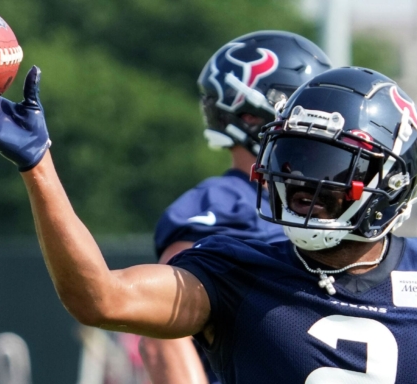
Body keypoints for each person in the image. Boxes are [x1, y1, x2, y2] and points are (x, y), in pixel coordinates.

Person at [0, 64, 417, 384]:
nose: (302, 182)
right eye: (293, 157)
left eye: (329, 166)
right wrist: (39, 167)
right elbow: (101, 298)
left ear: (393, 182)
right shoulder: (235, 270)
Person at [139, 30, 332, 384]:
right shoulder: (221, 206)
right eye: (302, 109)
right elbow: (162, 337)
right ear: (252, 116)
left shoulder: (315, 207)